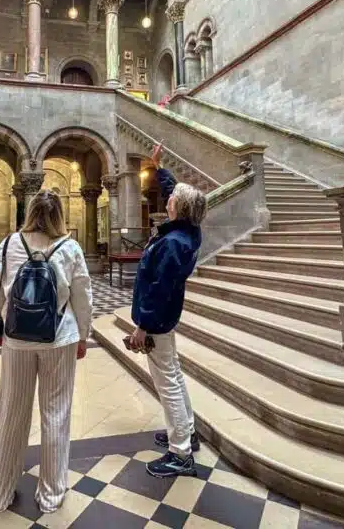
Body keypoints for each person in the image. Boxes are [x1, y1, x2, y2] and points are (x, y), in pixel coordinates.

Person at [0, 191, 93, 514]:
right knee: (56, 413)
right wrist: (83, 335)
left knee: (11, 413)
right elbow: (82, 295)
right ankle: (51, 493)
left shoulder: (9, 244)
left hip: (17, 339)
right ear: (59, 215)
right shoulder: (70, 248)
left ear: (30, 212)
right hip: (59, 338)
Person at [129, 144, 206, 478]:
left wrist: (142, 327)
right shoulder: (186, 230)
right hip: (164, 319)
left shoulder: (174, 243)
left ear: (179, 208)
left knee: (167, 383)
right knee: (172, 373)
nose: (168, 198)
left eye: (173, 198)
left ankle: (181, 453)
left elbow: (159, 290)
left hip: (158, 321)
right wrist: (160, 168)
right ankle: (186, 432)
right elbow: (174, 189)